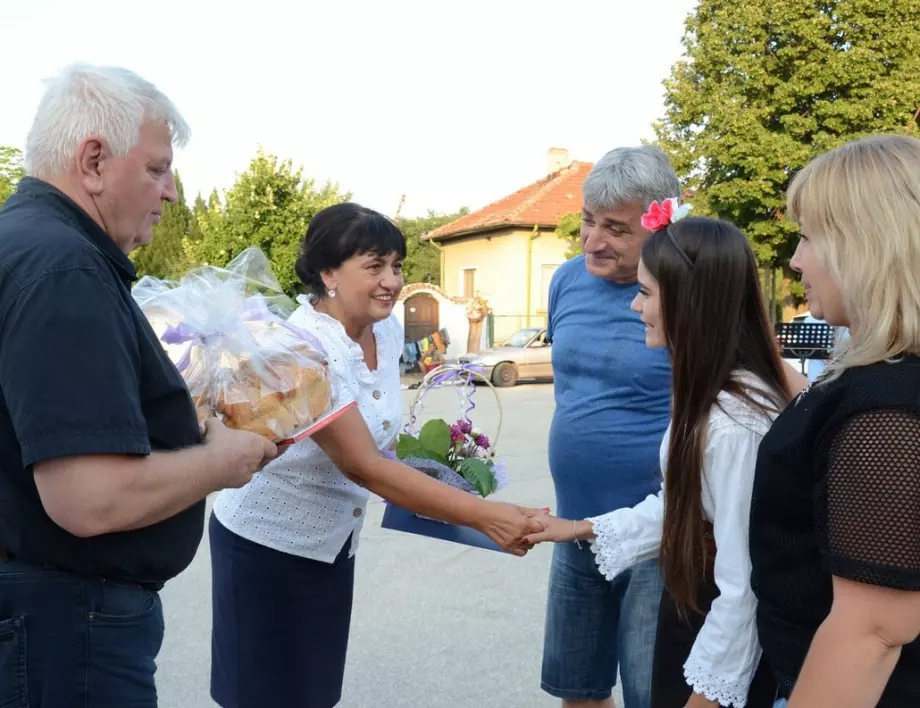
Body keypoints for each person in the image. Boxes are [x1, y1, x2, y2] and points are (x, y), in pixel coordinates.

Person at [0, 64, 277, 707]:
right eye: (157, 169)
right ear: (94, 160)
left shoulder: (21, 245)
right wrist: (219, 461)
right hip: (68, 631)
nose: (172, 193)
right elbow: (89, 498)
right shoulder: (64, 266)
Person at [209, 202, 544, 708]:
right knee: (264, 694)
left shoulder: (384, 330)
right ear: (328, 274)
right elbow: (363, 464)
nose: (391, 280)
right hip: (266, 549)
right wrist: (485, 518)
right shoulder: (300, 350)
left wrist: (442, 475)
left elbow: (383, 443)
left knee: (314, 691)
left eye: (397, 265)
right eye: (374, 266)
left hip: (330, 545)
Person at [528, 213, 807, 707]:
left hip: (718, 638)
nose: (635, 306)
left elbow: (743, 587)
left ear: (688, 300)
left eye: (647, 293)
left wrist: (706, 696)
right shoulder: (710, 394)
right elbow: (681, 504)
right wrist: (575, 529)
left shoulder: (732, 423)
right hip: (698, 615)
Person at [750, 133, 920, 708]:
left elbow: (872, 632)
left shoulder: (885, 406)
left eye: (808, 237)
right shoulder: (882, 379)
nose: (795, 259)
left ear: (865, 244)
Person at [541, 146, 678, 708]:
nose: (593, 241)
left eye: (616, 228)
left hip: (655, 540)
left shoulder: (687, 291)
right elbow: (571, 387)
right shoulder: (567, 280)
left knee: (651, 694)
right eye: (587, 222)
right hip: (572, 527)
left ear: (660, 222)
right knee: (578, 691)